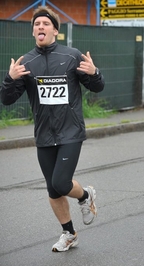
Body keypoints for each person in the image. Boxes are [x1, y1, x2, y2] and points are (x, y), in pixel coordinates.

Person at [0, 6, 104, 252]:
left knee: (60, 182)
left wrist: (95, 72)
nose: (40, 27)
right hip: (44, 134)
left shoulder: (72, 56)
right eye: (36, 25)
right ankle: (69, 233)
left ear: (55, 31)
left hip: (70, 132)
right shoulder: (26, 62)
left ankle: (85, 196)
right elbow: (6, 100)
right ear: (33, 31)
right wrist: (10, 78)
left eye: (45, 24)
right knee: (52, 188)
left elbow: (97, 86)